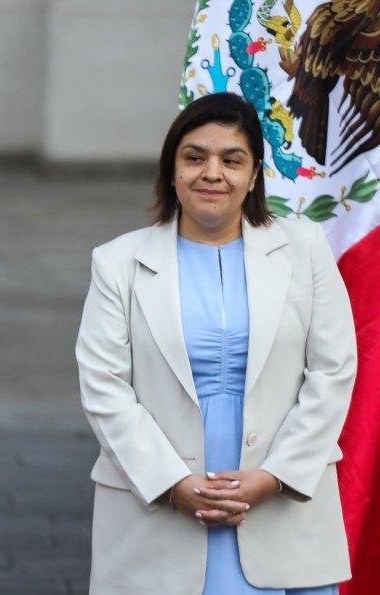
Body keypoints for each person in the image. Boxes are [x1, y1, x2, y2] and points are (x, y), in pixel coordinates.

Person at [76, 93, 356, 594]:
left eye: (232, 160)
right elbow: (103, 388)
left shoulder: (305, 249)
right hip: (157, 514)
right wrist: (172, 485)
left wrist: (273, 477)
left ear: (253, 176)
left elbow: (334, 372)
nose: (212, 173)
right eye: (194, 157)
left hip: (282, 512)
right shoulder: (117, 261)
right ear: (171, 170)